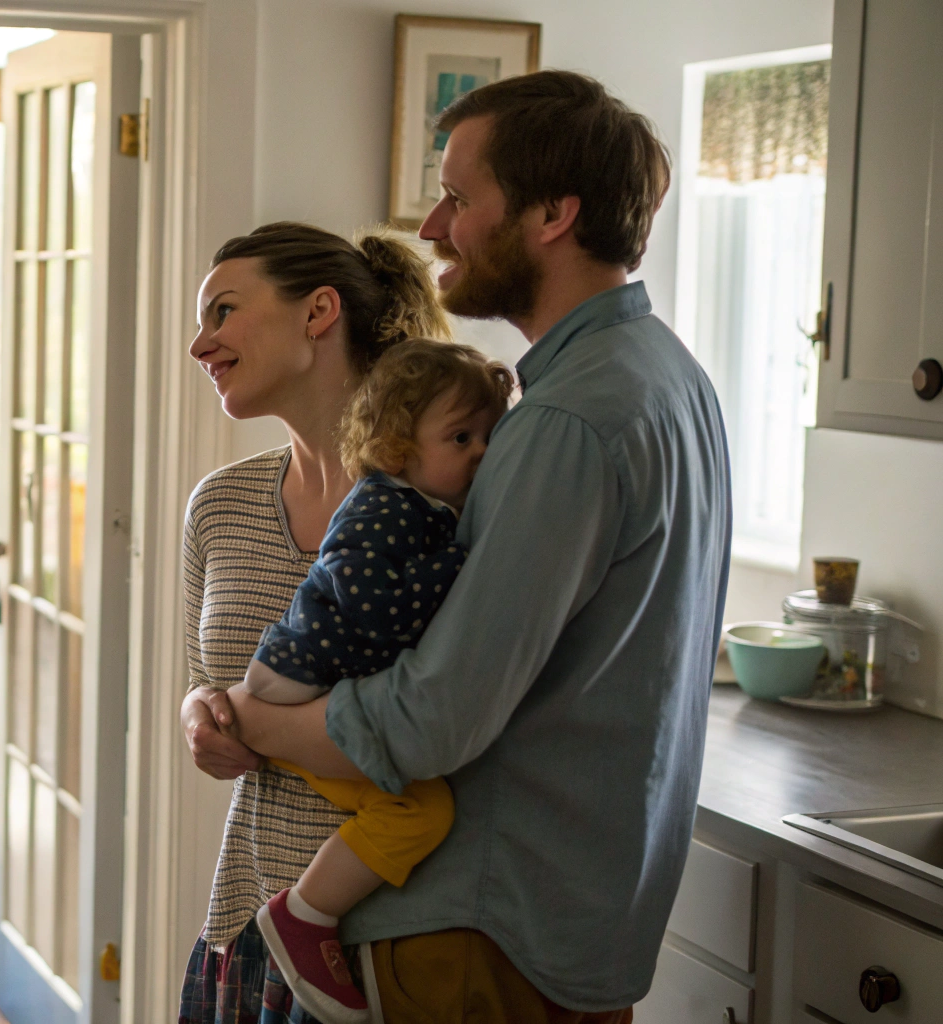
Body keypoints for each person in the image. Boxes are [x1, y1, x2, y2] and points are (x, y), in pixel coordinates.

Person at [201, 70, 732, 1022]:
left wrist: (252, 720)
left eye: (458, 196)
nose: (434, 225)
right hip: (575, 919)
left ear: (553, 215)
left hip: (487, 927)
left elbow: (433, 718)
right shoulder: (668, 375)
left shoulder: (564, 421)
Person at [179, 222, 450, 1024]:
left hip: (392, 948)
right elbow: (204, 681)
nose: (200, 344)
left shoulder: (445, 503)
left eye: (224, 311)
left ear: (319, 311)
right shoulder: (220, 504)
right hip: (246, 920)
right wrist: (199, 718)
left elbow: (448, 721)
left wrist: (254, 720)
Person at [241, 340, 512, 1023]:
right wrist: (464, 568)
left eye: (489, 434)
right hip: (298, 687)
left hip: (308, 682)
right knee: (420, 810)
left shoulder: (419, 507)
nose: (481, 451)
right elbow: (375, 606)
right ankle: (306, 914)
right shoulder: (384, 507)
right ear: (395, 448)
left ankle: (309, 911)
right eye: (461, 437)